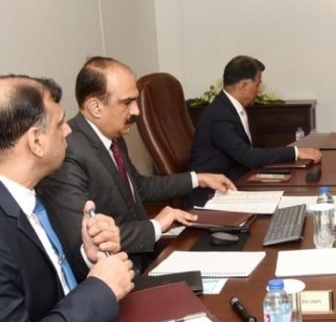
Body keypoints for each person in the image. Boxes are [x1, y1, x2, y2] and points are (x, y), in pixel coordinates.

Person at [0, 74, 134, 322]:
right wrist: (100, 288)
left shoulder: (32, 194)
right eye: (60, 124)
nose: (69, 130)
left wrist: (85, 259)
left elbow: (43, 289)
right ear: (36, 142)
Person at [38, 57, 236, 272]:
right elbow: (84, 242)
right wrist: (156, 226)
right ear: (95, 107)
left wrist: (199, 178)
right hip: (121, 274)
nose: (136, 111)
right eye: (127, 102)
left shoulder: (112, 138)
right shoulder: (68, 152)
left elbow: (139, 187)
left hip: (145, 257)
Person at [188, 55, 321, 207]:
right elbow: (247, 156)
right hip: (212, 196)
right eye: (257, 85)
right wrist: (296, 152)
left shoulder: (230, 108)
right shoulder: (219, 115)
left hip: (235, 183)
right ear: (243, 86)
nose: (258, 91)